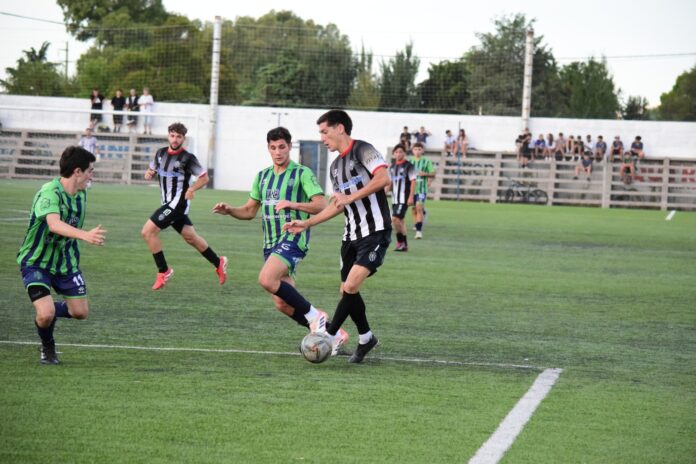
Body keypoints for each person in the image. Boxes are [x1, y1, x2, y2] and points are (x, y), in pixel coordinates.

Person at [284, 109, 391, 363]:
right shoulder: (334, 168)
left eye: (325, 132)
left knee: (351, 286)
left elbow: (383, 178)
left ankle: (329, 335)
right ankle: (366, 338)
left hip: (375, 231)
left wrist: (350, 197)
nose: (322, 138)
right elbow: (337, 205)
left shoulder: (363, 149)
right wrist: (307, 223)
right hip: (350, 236)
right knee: (347, 291)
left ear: (340, 128)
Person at [211, 127, 338, 337]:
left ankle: (315, 316)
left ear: (289, 147)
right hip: (270, 243)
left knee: (266, 279)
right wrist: (230, 210)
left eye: (281, 147)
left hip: (294, 237)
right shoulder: (262, 177)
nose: (278, 152)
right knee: (282, 303)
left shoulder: (302, 173)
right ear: (268, 149)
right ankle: (333, 335)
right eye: (273, 148)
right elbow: (250, 211)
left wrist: (293, 204)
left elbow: (321, 205)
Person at [17, 146, 106, 364]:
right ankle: (47, 347)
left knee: (80, 312)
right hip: (37, 261)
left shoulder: (81, 193)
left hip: (66, 262)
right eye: (90, 171)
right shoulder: (50, 193)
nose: (91, 176)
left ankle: (46, 309)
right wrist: (85, 235)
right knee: (46, 314)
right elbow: (54, 224)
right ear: (77, 171)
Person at [142, 122, 227, 290]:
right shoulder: (160, 154)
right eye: (172, 135)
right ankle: (218, 262)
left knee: (147, 232)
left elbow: (204, 178)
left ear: (183, 138)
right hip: (167, 203)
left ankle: (163, 271)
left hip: (177, 204)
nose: (175, 139)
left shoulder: (188, 158)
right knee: (191, 238)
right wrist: (149, 173)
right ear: (168, 135)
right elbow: (151, 170)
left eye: (179, 137)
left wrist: (192, 189)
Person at [387, 144, 416, 251]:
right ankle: (404, 245)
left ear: (404, 153)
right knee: (400, 221)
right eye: (396, 152)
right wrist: (384, 192)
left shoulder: (409, 166)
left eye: (401, 152)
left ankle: (400, 242)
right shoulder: (392, 167)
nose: (398, 154)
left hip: (404, 198)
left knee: (394, 219)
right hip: (395, 199)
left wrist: (411, 197)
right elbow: (390, 183)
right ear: (394, 154)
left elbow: (413, 182)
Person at [411, 141, 434, 239]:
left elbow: (433, 173)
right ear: (412, 150)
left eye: (419, 149)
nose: (417, 151)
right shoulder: (409, 162)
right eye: (415, 149)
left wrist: (424, 174)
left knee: (418, 207)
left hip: (421, 189)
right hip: (411, 190)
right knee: (414, 209)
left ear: (422, 151)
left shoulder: (426, 161)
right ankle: (418, 220)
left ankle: (418, 231)